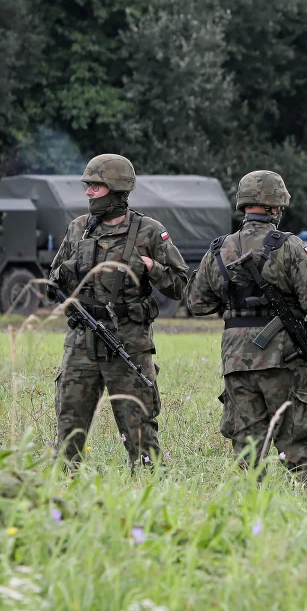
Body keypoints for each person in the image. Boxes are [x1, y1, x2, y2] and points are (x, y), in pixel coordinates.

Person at [186, 170, 307, 482]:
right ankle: (306, 497)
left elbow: (197, 303)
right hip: (282, 355)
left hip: (236, 356)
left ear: (244, 205)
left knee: (247, 441)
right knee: (297, 434)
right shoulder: (289, 246)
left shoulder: (218, 249)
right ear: (276, 207)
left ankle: (250, 504)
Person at [45, 154, 189, 468]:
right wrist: (64, 275)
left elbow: (180, 285)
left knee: (139, 429)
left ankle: (150, 491)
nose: (88, 193)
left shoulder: (149, 231)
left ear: (116, 190)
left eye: (95, 186)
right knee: (68, 425)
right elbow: (52, 285)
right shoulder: (79, 229)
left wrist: (150, 266)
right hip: (82, 341)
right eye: (88, 186)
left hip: (129, 344)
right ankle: (60, 497)